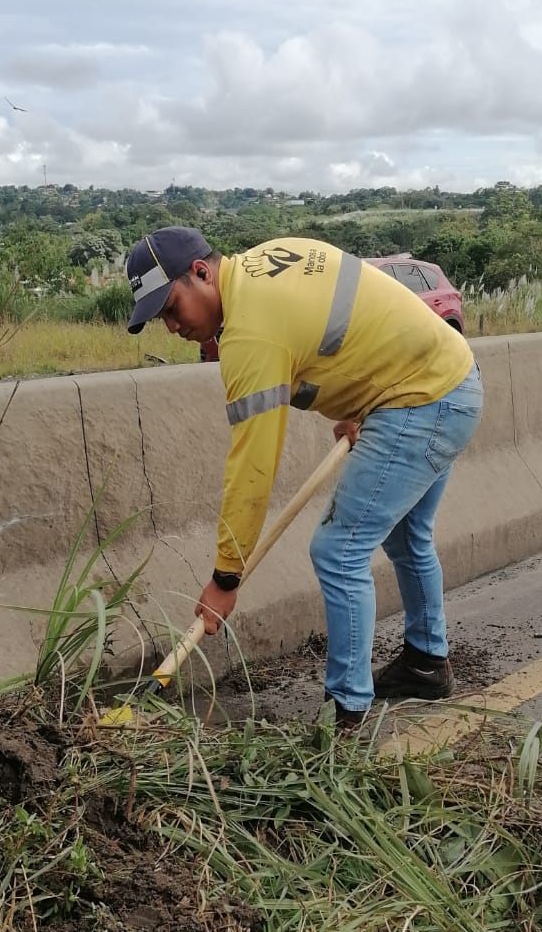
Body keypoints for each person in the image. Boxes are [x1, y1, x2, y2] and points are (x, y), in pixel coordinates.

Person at [126, 226, 483, 728]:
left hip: (423, 399)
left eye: (171, 308)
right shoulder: (266, 260)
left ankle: (347, 714)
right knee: (406, 535)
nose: (172, 327)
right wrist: (366, 394)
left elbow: (252, 468)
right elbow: (350, 319)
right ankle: (426, 663)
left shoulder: (249, 334)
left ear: (201, 273)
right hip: (446, 377)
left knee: (338, 551)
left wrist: (226, 576)